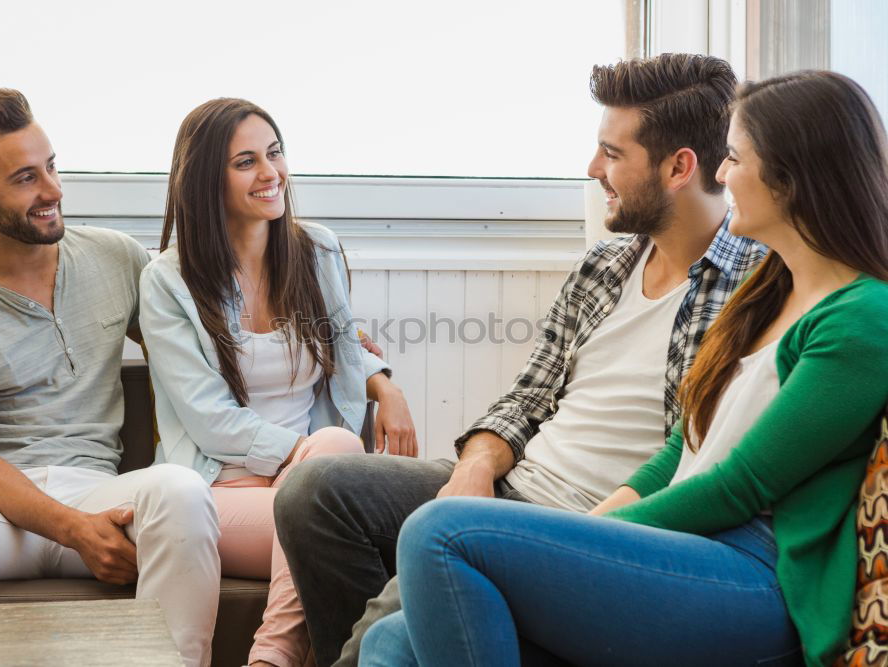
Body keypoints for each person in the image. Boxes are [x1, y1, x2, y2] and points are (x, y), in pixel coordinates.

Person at [360, 70, 888, 667]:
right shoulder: (770, 288)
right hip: (681, 550)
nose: (721, 174)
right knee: (390, 640)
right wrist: (583, 535)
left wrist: (594, 538)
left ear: (792, 178)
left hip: (750, 575)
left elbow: (740, 486)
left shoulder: (863, 318)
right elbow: (683, 448)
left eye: (735, 158)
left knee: (439, 532)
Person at [275, 53, 766, 667]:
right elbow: (530, 397)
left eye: (613, 154)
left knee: (414, 593)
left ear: (678, 167)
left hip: (600, 531)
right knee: (316, 490)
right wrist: (477, 466)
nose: (593, 170)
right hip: (517, 487)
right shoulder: (606, 267)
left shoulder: (758, 286)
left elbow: (701, 459)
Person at [0, 89, 222, 667]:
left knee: (180, 490)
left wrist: (362, 364)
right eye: (24, 178)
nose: (52, 190)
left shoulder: (117, 258)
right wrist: (76, 531)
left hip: (97, 489)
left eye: (51, 166)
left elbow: (204, 349)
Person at [138, 97, 416, 667]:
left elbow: (343, 345)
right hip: (220, 489)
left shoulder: (317, 250)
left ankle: (270, 661)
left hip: (311, 469)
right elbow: (207, 419)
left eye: (275, 152)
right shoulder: (167, 281)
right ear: (204, 181)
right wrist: (303, 463)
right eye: (245, 162)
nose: (271, 173)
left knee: (336, 455)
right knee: (335, 474)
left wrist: (387, 387)